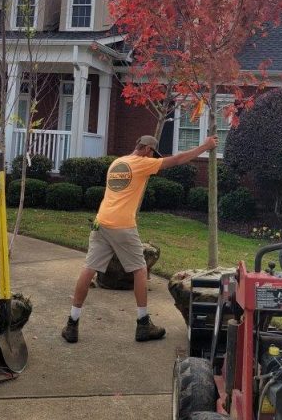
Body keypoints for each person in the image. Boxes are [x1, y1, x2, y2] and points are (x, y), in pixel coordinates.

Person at [62, 132, 218, 343]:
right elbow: (178, 159)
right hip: (122, 225)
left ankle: (72, 323)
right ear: (147, 149)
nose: (153, 158)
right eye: (152, 154)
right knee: (140, 269)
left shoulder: (118, 162)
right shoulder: (141, 163)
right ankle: (143, 324)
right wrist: (205, 146)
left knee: (89, 268)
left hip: (101, 222)